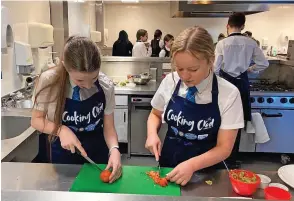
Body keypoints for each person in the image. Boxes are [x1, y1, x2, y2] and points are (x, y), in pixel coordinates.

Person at [145, 26, 244, 186]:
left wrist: (192, 165)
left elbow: (224, 148)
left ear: (211, 60)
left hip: (208, 172)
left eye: (193, 69)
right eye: (179, 68)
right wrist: (151, 134)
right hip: (170, 162)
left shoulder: (229, 94)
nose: (184, 76)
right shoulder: (170, 81)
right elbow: (155, 114)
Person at [31, 36, 122, 183]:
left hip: (96, 152)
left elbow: (109, 128)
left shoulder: (106, 86)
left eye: (93, 79)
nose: (87, 85)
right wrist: (61, 130)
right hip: (62, 154)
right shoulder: (49, 81)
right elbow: (36, 120)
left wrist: (114, 149)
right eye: (79, 80)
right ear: (65, 67)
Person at [214, 13, 269, 160]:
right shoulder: (251, 43)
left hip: (225, 83)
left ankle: (219, 156)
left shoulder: (222, 44)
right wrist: (250, 69)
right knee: (237, 122)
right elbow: (264, 63)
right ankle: (233, 158)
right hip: (242, 83)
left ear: (227, 26)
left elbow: (215, 68)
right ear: (243, 26)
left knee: (221, 119)